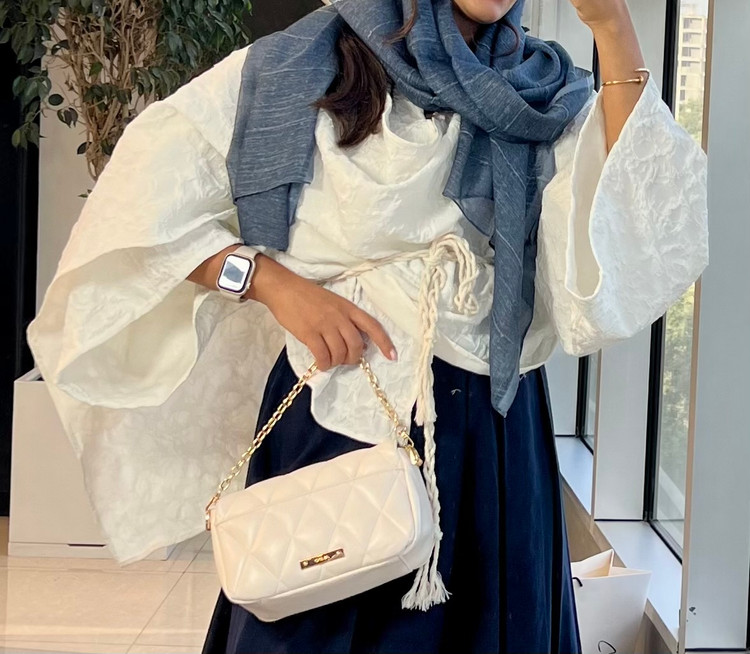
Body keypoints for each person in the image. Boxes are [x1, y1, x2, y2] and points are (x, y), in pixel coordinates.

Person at [26, 0, 709, 652]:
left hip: (492, 428)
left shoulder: (536, 88)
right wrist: (271, 284)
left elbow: (635, 213)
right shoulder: (297, 65)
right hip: (339, 408)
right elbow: (134, 215)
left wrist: (613, 25)